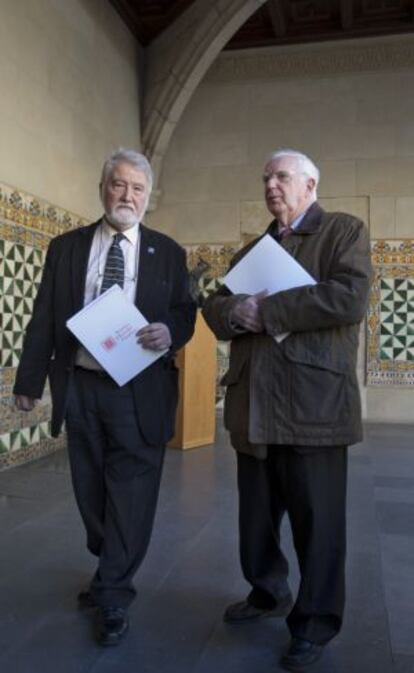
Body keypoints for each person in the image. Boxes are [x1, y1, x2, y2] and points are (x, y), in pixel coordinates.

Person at [14, 148, 196, 646]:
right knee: (90, 489)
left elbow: (185, 311)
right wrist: (29, 382)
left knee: (132, 493)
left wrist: (169, 332)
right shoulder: (66, 247)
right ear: (103, 188)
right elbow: (45, 315)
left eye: (138, 189)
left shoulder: (168, 251)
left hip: (140, 390)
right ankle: (109, 557)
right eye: (119, 185)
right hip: (82, 388)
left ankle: (114, 590)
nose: (128, 196)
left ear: (148, 197)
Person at [202, 149, 372, 671]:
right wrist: (236, 309)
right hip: (253, 405)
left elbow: (349, 298)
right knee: (256, 518)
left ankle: (315, 621)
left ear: (311, 182)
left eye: (282, 176)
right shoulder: (252, 249)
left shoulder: (344, 230)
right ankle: (267, 592)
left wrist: (267, 309)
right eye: (266, 178)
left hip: (313, 406)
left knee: (317, 523)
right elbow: (215, 307)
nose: (272, 185)